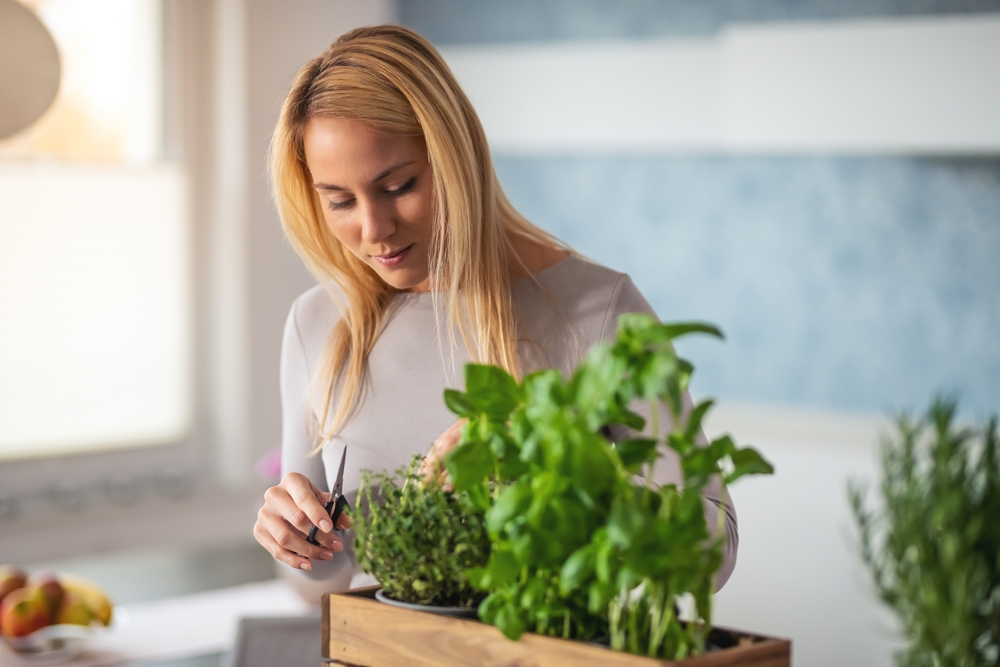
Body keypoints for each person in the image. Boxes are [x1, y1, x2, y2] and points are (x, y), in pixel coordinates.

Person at [252, 25, 738, 598]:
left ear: (455, 155)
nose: (373, 229)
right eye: (339, 200)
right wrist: (296, 540)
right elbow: (324, 582)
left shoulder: (597, 311)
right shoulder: (317, 325)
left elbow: (714, 554)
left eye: (399, 185)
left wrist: (560, 478)